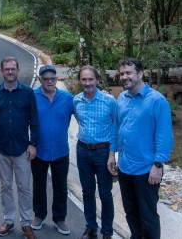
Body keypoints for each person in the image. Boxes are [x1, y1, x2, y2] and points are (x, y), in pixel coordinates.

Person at [115, 58, 173, 239]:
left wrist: (158, 165)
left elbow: (164, 135)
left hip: (146, 170)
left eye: (129, 73)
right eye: (122, 73)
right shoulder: (121, 98)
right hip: (124, 166)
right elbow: (118, 128)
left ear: (140, 74)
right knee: (131, 212)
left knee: (148, 216)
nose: (124, 77)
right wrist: (112, 154)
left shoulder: (157, 101)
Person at [0, 57, 39, 239]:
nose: (10, 72)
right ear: (1, 71)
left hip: (22, 149)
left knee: (24, 187)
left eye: (12, 69)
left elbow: (35, 121)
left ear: (18, 70)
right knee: (5, 186)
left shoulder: (28, 92)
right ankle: (8, 220)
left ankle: (26, 223)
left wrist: (33, 144)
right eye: (6, 69)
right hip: (1, 148)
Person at [73, 65, 119, 239]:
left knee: (105, 194)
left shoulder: (109, 101)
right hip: (83, 150)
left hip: (103, 152)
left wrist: (111, 154)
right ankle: (91, 227)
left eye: (90, 79)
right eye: (84, 79)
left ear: (97, 80)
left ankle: (107, 231)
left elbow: (115, 127)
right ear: (80, 81)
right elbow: (79, 120)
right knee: (87, 192)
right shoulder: (76, 100)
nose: (87, 83)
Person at [30, 64, 75, 235]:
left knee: (61, 186)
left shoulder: (67, 98)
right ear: (40, 79)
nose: (49, 81)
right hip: (38, 150)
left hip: (60, 150)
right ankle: (39, 215)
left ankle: (59, 218)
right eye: (45, 78)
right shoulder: (32, 97)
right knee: (39, 185)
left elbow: (83, 114)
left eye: (52, 78)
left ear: (57, 79)